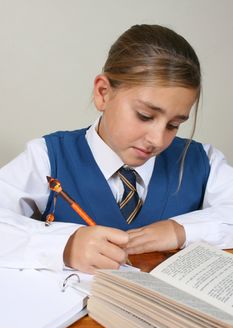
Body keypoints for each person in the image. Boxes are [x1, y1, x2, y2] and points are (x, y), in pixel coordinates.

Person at [0, 24, 233, 274]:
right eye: (145, 116)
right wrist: (64, 244)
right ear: (103, 93)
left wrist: (182, 230)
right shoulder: (47, 156)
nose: (157, 139)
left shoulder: (203, 161)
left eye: (174, 125)